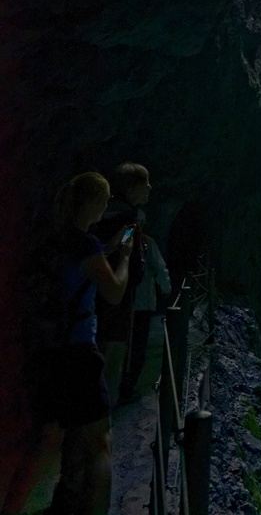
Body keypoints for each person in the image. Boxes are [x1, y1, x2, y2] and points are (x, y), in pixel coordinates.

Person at [4, 172, 133, 515]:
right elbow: (114, 291)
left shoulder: (55, 239)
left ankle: (10, 507)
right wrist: (126, 258)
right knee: (99, 445)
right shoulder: (85, 245)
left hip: (47, 351)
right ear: (93, 202)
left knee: (46, 437)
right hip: (78, 353)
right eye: (104, 202)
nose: (106, 208)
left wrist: (109, 250)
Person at [94, 163, 150, 407]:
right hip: (119, 296)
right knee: (115, 353)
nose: (149, 188)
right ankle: (107, 410)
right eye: (144, 183)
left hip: (95, 297)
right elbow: (128, 249)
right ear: (131, 188)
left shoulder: (100, 219)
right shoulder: (129, 222)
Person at [117, 233, 171, 404]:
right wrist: (166, 289)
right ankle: (127, 387)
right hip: (142, 303)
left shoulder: (123, 238)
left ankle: (119, 387)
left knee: (123, 346)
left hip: (121, 302)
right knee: (137, 347)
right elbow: (159, 267)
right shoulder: (146, 241)